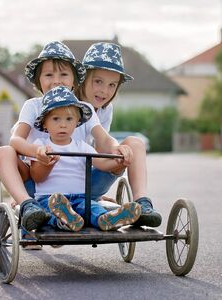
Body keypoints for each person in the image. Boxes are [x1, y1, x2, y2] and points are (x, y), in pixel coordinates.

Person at [21, 85, 141, 232]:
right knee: (48, 211)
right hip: (49, 198)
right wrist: (44, 160)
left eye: (69, 119)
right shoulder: (40, 146)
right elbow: (36, 175)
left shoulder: (82, 147)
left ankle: (107, 218)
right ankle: (63, 220)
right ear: (45, 123)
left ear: (77, 122)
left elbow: (100, 164)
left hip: (79, 197)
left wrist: (119, 161)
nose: (63, 125)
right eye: (56, 119)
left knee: (92, 208)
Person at [77, 42, 162, 227]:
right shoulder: (67, 106)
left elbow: (102, 142)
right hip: (62, 183)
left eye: (112, 85)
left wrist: (118, 151)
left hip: (88, 182)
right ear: (83, 78)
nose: (104, 91)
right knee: (111, 159)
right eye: (98, 81)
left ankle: (141, 203)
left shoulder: (105, 110)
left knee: (135, 143)